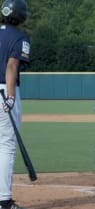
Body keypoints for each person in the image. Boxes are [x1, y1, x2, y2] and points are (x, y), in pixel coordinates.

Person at [0, 0, 30, 209]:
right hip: (4, 91)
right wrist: (10, 96)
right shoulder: (20, 37)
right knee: (6, 145)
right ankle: (4, 200)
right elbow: (11, 65)